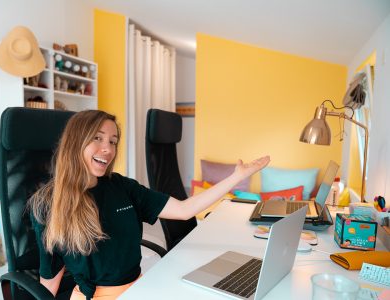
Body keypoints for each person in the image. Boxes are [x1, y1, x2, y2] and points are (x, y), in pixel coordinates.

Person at [30, 110, 270, 300]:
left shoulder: (122, 187)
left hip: (140, 286)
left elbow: (184, 209)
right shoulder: (48, 204)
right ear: (75, 142)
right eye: (98, 138)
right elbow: (50, 277)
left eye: (113, 141)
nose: (108, 149)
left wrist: (236, 177)